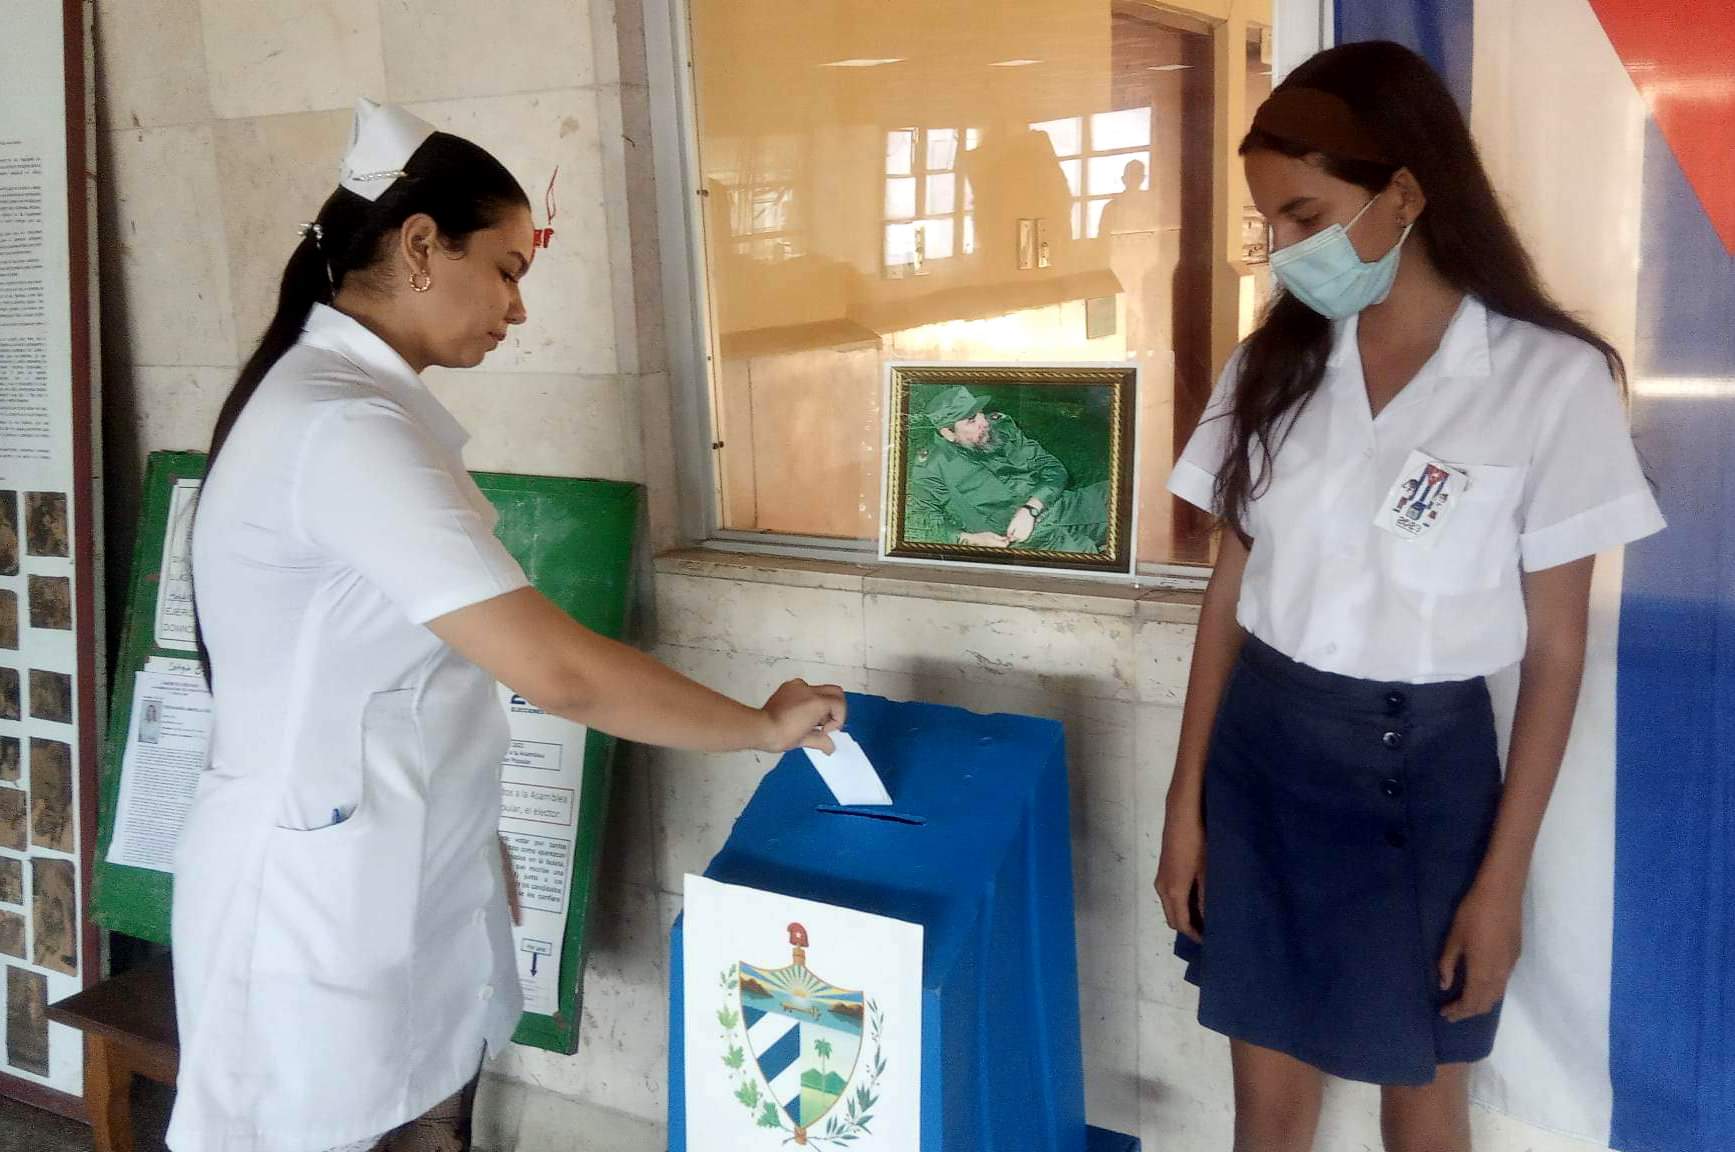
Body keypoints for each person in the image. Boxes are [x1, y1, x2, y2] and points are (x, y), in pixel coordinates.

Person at [168, 100, 845, 1152]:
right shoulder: (342, 426)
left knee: (406, 1109)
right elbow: (558, 672)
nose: (517, 310)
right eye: (510, 270)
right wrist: (757, 727)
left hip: (386, 863)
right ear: (421, 244)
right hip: (309, 900)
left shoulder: (356, 408)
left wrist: (470, 842)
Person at [1152, 42, 1664, 1152]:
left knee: (1425, 1108)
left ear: (1405, 191)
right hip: (1260, 757)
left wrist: (1500, 882)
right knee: (1264, 1109)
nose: (1283, 252)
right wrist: (1183, 803)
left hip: (1419, 774)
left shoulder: (1548, 381)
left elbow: (1556, 655)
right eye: (1269, 227)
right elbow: (1227, 594)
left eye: (1302, 215)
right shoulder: (1272, 371)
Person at [903, 385, 1109, 552]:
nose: (984, 423)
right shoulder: (932, 467)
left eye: (980, 413)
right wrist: (970, 539)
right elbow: (923, 521)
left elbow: (1053, 468)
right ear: (948, 434)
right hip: (1026, 541)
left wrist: (1031, 508)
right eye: (972, 420)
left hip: (1060, 504)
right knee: (1092, 566)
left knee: (1126, 497)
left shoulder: (1002, 427)